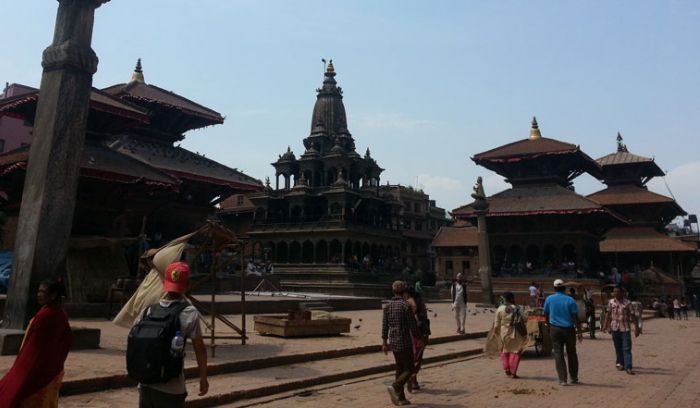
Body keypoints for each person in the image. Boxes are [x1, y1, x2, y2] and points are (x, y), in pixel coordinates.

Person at [135, 262, 208, 407]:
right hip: (172, 388)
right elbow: (200, 350)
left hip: (145, 384)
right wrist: (203, 379)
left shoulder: (148, 311)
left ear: (165, 284)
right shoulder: (189, 312)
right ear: (187, 284)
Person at [0, 278, 73, 408]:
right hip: (51, 370)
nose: (39, 294)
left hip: (38, 370)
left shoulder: (47, 315)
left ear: (53, 295)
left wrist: (22, 372)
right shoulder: (58, 313)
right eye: (39, 291)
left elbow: (35, 349)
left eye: (43, 292)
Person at [382, 281, 420, 406]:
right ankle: (396, 386)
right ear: (404, 292)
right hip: (405, 341)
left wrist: (384, 342)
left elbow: (384, 326)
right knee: (410, 368)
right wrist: (418, 338)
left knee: (400, 368)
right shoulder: (405, 306)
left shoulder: (387, 306)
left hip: (393, 342)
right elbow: (413, 325)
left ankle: (401, 397)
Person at [544, 279, 583, 386]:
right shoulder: (570, 300)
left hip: (555, 329)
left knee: (558, 353)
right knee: (572, 353)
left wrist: (548, 326)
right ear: (564, 288)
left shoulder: (549, 299)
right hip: (569, 329)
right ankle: (574, 377)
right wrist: (579, 332)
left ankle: (562, 379)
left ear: (554, 288)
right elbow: (575, 317)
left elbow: (546, 314)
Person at [602, 286, 639, 375]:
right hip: (615, 328)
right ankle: (621, 363)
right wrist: (605, 325)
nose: (616, 293)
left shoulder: (628, 303)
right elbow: (608, 314)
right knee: (618, 347)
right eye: (614, 292)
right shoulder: (611, 302)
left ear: (622, 293)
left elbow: (633, 315)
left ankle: (628, 367)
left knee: (626, 348)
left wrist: (636, 328)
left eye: (618, 292)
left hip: (625, 328)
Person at [492, 291, 528, 379]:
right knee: (516, 351)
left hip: (503, 332)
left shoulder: (500, 309)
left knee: (504, 350)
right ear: (512, 298)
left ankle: (506, 368)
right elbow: (525, 319)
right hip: (516, 333)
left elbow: (496, 324)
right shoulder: (517, 308)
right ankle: (513, 372)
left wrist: (495, 333)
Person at [404, 287, 430, 392]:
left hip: (410, 334)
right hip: (420, 334)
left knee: (410, 358)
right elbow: (425, 321)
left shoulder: (407, 303)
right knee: (417, 358)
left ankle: (411, 379)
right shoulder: (421, 304)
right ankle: (413, 380)